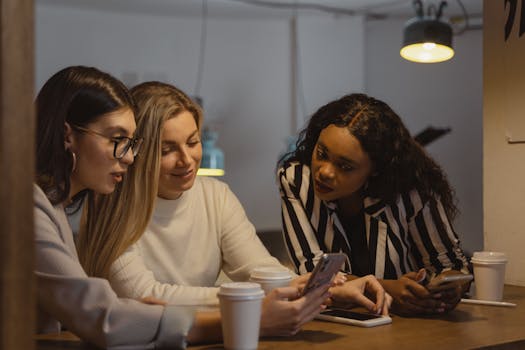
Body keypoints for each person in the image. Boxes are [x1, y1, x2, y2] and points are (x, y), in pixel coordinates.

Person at [79, 81, 389, 330]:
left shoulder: (216, 195)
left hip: (201, 335)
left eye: (192, 142)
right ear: (138, 151)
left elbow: (259, 268)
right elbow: (146, 296)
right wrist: (249, 299)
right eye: (167, 149)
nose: (187, 160)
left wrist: (317, 289)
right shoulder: (110, 203)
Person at [35, 66, 227, 349]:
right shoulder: (27, 208)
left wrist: (140, 316)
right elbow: (103, 318)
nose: (128, 158)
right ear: (68, 136)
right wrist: (235, 320)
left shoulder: (54, 207)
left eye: (131, 144)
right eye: (117, 141)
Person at [277, 93, 471, 316]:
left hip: (408, 326)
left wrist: (447, 287)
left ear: (375, 170)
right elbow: (312, 275)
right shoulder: (297, 180)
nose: (325, 172)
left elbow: (451, 266)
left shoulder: (410, 189)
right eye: (322, 154)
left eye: (345, 166)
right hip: (333, 327)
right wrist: (389, 289)